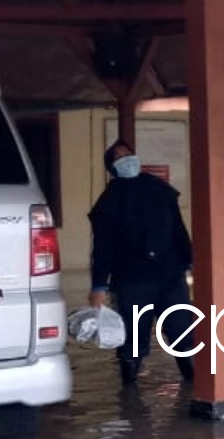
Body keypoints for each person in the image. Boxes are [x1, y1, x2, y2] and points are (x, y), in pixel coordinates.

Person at [88, 139, 197, 387]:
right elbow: (102, 248)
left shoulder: (160, 189)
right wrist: (98, 286)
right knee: (134, 339)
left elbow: (179, 230)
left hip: (170, 275)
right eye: (119, 157)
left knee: (182, 331)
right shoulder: (110, 201)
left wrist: (191, 261)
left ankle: (192, 387)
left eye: (128, 153)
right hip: (133, 281)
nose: (126, 158)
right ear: (112, 167)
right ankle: (129, 393)